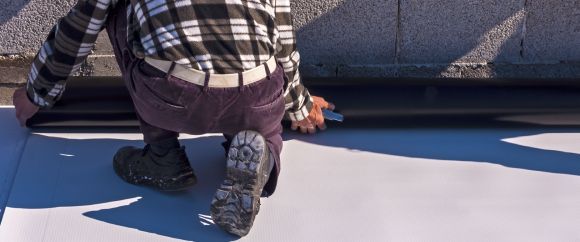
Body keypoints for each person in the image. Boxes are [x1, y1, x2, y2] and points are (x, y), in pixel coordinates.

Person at [12, 0, 335, 237]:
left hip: (173, 96)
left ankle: (162, 154)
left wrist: (36, 93)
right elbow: (284, 44)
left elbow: (80, 27)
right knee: (263, 111)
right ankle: (262, 157)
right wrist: (298, 104)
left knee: (116, 13)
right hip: (256, 95)